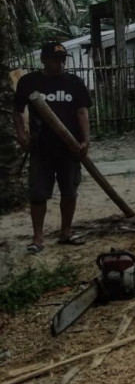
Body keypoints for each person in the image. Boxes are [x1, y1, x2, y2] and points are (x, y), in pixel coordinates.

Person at [13, 42, 91, 253]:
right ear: (43, 60)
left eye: (62, 59)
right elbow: (18, 111)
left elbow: (82, 112)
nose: (60, 63)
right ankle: (37, 238)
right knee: (38, 194)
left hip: (69, 147)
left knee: (69, 192)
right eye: (55, 59)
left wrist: (86, 140)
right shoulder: (29, 82)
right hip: (41, 148)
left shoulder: (74, 82)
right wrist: (21, 135)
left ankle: (65, 232)